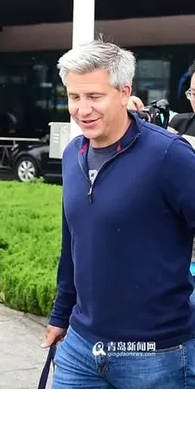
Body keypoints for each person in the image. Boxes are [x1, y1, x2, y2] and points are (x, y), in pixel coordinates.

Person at [42, 39, 195, 389]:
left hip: (156, 355)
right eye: (74, 97)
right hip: (80, 348)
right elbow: (72, 241)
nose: (82, 109)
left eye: (94, 96)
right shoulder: (72, 155)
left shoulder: (169, 155)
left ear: (124, 92)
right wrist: (60, 314)